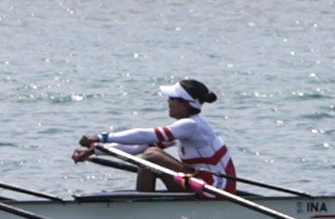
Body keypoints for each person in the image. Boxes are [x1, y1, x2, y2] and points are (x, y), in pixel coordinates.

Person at [75, 80, 233, 193]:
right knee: (150, 153)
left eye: (172, 99)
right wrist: (95, 150)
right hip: (203, 182)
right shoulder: (184, 129)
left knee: (152, 156)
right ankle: (143, 200)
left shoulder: (191, 125)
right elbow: (138, 147)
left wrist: (102, 137)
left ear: (185, 104)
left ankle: (142, 206)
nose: (168, 102)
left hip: (215, 188)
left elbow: (144, 135)